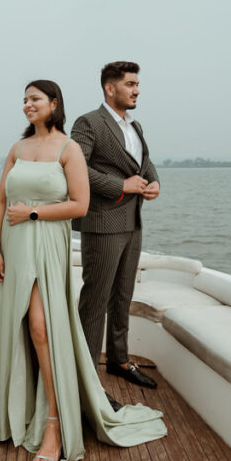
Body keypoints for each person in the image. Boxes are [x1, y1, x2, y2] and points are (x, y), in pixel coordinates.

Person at [0, 80, 166, 461]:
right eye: (24, 99)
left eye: (35, 99)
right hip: (10, 246)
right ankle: (4, 407)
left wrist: (32, 214)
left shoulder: (69, 148)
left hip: (45, 243)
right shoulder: (18, 148)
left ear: (54, 104)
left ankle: (55, 424)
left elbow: (79, 205)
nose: (27, 105)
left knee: (41, 327)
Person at [71, 61, 161, 398]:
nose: (137, 90)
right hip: (103, 224)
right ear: (111, 88)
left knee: (123, 296)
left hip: (133, 223)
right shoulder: (89, 123)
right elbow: (74, 167)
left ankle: (120, 360)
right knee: (95, 301)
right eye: (131, 84)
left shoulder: (135, 126)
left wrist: (154, 185)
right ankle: (86, 376)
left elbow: (145, 164)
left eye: (138, 84)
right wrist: (121, 185)